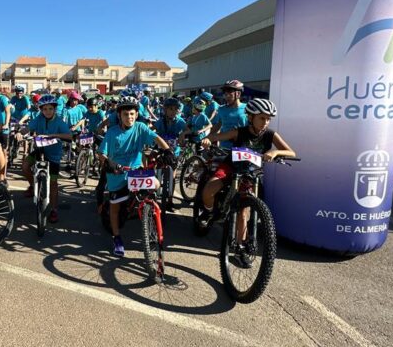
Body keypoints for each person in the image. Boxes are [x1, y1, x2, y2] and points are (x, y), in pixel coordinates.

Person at [198, 98, 296, 267]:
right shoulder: (240, 132)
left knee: (244, 211)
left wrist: (274, 152)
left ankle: (240, 247)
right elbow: (217, 136)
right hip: (231, 167)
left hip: (250, 173)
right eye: (261, 118)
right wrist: (208, 139)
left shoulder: (270, 135)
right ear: (251, 117)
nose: (265, 122)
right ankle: (207, 212)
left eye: (268, 119)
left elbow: (291, 152)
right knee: (209, 189)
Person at [98, 96, 176, 257]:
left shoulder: (140, 127)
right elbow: (102, 154)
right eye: (126, 114)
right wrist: (109, 163)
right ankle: (117, 237)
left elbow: (156, 138)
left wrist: (167, 150)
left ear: (136, 114)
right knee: (115, 207)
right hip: (117, 174)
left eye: (132, 114)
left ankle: (148, 215)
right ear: (119, 115)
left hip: (136, 170)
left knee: (155, 185)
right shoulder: (112, 133)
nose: (130, 117)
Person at [22, 95, 73, 223]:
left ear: (55, 109)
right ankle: (34, 186)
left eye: (50, 108)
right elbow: (28, 128)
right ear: (41, 110)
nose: (47, 111)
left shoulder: (59, 122)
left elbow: (69, 136)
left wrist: (53, 135)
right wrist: (20, 132)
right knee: (25, 166)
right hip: (39, 151)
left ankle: (54, 210)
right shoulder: (38, 118)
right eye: (44, 109)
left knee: (53, 183)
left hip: (54, 155)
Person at [211, 79, 248, 148]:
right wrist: (208, 137)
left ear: (238, 94)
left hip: (242, 149)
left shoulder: (248, 108)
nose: (226, 96)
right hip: (224, 148)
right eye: (225, 94)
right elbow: (218, 124)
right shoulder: (221, 109)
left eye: (229, 93)